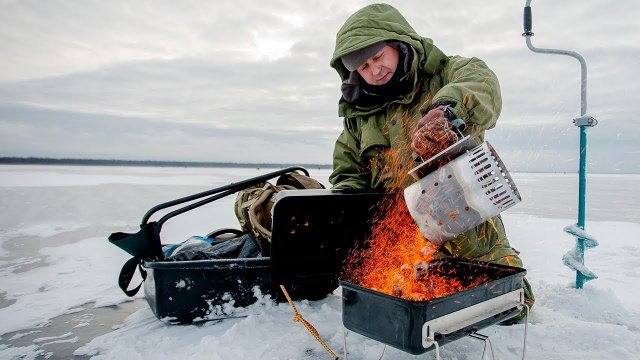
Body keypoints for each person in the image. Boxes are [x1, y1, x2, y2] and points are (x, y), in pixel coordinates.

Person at [328, 3, 534, 319]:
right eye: (365, 66)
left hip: (470, 230)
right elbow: (348, 173)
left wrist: (446, 111)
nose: (375, 70)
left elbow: (482, 82)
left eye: (378, 57)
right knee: (396, 308)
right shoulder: (359, 116)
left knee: (511, 308)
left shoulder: (447, 72)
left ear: (398, 43)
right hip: (401, 240)